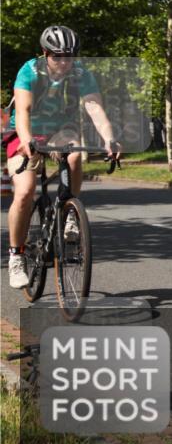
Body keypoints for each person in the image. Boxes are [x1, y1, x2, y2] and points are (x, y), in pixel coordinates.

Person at [5, 26, 119, 288]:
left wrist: (109, 138)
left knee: (75, 155)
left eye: (70, 56)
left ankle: (69, 213)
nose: (65, 62)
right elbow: (22, 111)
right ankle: (16, 256)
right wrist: (26, 140)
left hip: (59, 130)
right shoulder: (29, 71)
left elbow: (94, 106)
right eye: (58, 57)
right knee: (25, 192)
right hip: (25, 132)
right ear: (45, 54)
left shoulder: (80, 73)